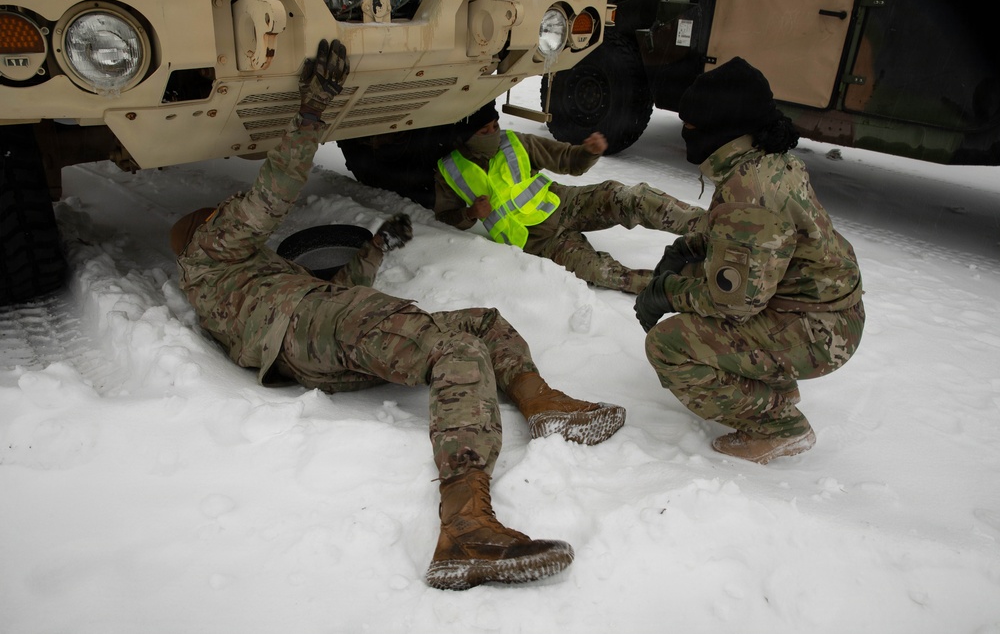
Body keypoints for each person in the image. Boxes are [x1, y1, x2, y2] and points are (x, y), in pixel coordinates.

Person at [170, 39, 627, 590]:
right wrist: (314, 111)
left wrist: (377, 248)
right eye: (221, 216)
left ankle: (543, 404)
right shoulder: (212, 247)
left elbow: (335, 301)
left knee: (481, 322)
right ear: (209, 227)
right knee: (453, 350)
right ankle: (465, 528)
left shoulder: (232, 280)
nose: (229, 216)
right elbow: (272, 196)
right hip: (311, 324)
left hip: (315, 333)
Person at [634, 57, 865, 465]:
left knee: (669, 344)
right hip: (817, 308)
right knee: (695, 276)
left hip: (818, 330)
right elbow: (739, 241)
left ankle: (779, 427)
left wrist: (666, 293)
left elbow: (734, 303)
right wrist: (688, 251)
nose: (687, 132)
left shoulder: (749, 190)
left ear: (720, 130)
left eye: (692, 126)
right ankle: (771, 384)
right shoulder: (766, 160)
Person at [432, 102, 705, 293]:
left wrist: (587, 152)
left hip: (567, 204)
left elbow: (565, 159)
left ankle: (707, 225)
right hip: (543, 244)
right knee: (601, 273)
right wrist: (470, 214)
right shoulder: (450, 171)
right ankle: (683, 286)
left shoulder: (516, 143)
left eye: (495, 125)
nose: (493, 133)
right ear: (465, 136)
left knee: (624, 197)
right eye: (484, 131)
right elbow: (445, 216)